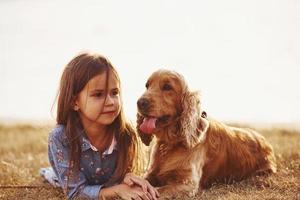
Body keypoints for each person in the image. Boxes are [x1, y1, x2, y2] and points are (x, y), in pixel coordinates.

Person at [42, 52, 159, 200]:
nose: (110, 102)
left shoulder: (125, 134)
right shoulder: (60, 137)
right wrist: (116, 191)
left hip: (104, 182)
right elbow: (75, 193)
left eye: (114, 93)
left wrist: (128, 178)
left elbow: (118, 179)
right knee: (52, 176)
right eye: (98, 94)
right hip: (62, 178)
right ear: (74, 102)